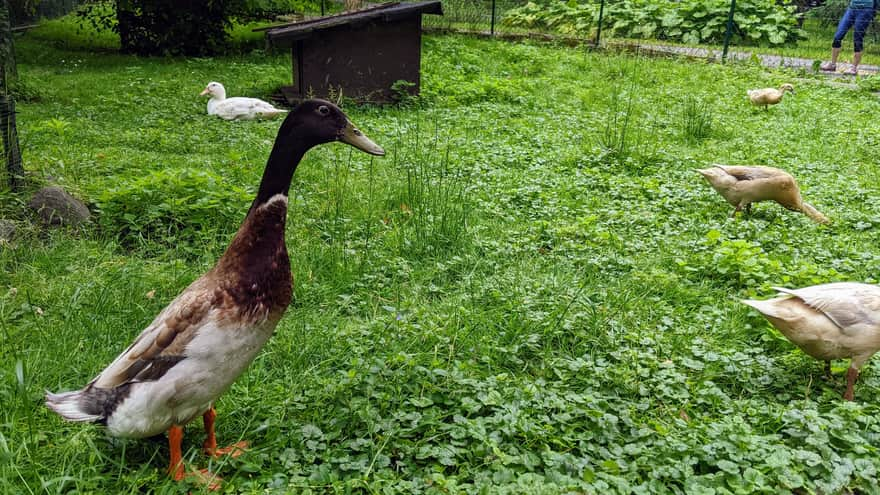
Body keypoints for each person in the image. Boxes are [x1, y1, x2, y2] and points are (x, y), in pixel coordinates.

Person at [821, 0, 877, 75]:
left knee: (858, 38)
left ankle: (853, 68)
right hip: (852, 8)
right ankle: (832, 64)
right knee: (838, 36)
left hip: (866, 9)